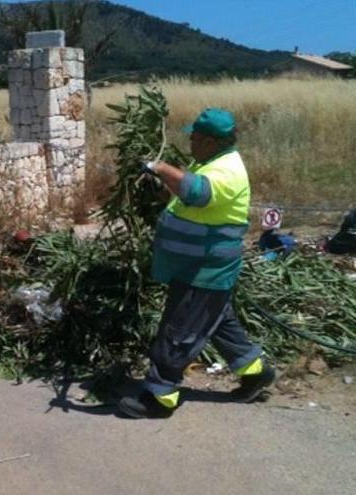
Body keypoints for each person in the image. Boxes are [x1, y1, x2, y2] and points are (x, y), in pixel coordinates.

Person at [117, 108, 275, 420]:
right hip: (199, 267)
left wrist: (160, 167)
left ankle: (160, 397)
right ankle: (255, 372)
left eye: (194, 136)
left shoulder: (227, 170)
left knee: (178, 331)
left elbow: (198, 192)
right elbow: (187, 193)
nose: (189, 140)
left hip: (206, 269)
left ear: (209, 140)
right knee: (218, 322)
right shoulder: (210, 162)